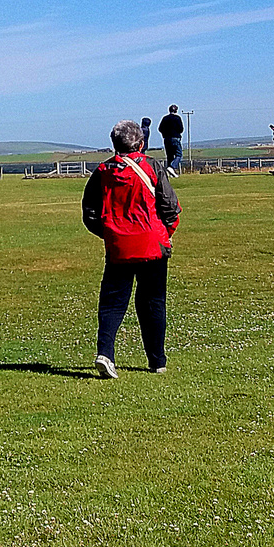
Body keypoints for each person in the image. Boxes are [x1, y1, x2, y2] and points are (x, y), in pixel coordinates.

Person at [81, 120, 179, 378]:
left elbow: (89, 212)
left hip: (119, 247)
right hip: (152, 244)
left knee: (112, 302)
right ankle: (157, 360)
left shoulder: (102, 171)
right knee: (153, 302)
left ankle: (105, 353)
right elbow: (170, 206)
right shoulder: (152, 166)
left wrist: (110, 234)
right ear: (141, 143)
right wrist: (165, 233)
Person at [159, 105, 186, 177]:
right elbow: (181, 129)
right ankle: (172, 167)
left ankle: (169, 173)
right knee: (178, 154)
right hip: (175, 138)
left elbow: (160, 128)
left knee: (169, 155)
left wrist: (165, 134)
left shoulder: (165, 118)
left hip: (167, 138)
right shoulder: (177, 118)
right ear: (176, 110)